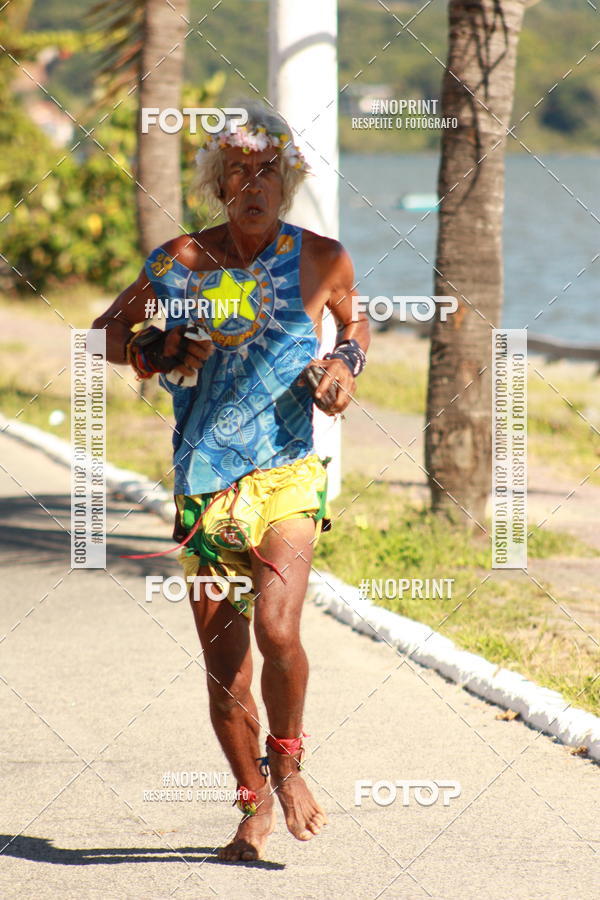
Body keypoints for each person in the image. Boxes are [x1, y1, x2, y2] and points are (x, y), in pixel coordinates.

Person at [93, 100, 369, 862]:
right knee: (225, 671)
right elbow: (105, 336)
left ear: (287, 179)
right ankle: (251, 804)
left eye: (269, 169)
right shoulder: (180, 261)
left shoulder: (321, 257)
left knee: (280, 629)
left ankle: (289, 762)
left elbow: (354, 324)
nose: (254, 182)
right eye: (239, 170)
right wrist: (161, 345)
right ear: (220, 183)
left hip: (286, 471)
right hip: (203, 479)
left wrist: (344, 366)